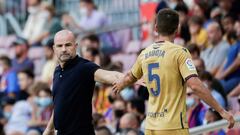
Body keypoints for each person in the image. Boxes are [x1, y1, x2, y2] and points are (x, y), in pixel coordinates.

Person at [112, 9, 235, 135]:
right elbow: (194, 85)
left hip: (151, 126)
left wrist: (120, 85)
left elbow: (129, 77)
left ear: (156, 28)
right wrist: (221, 110)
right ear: (178, 29)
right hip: (172, 126)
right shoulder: (179, 53)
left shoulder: (145, 53)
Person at [43, 30, 124, 135]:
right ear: (54, 49)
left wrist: (132, 77)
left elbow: (108, 75)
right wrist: (49, 129)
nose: (64, 49)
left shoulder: (84, 67)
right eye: (59, 46)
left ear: (75, 46)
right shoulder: (57, 71)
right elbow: (59, 104)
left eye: (68, 45)